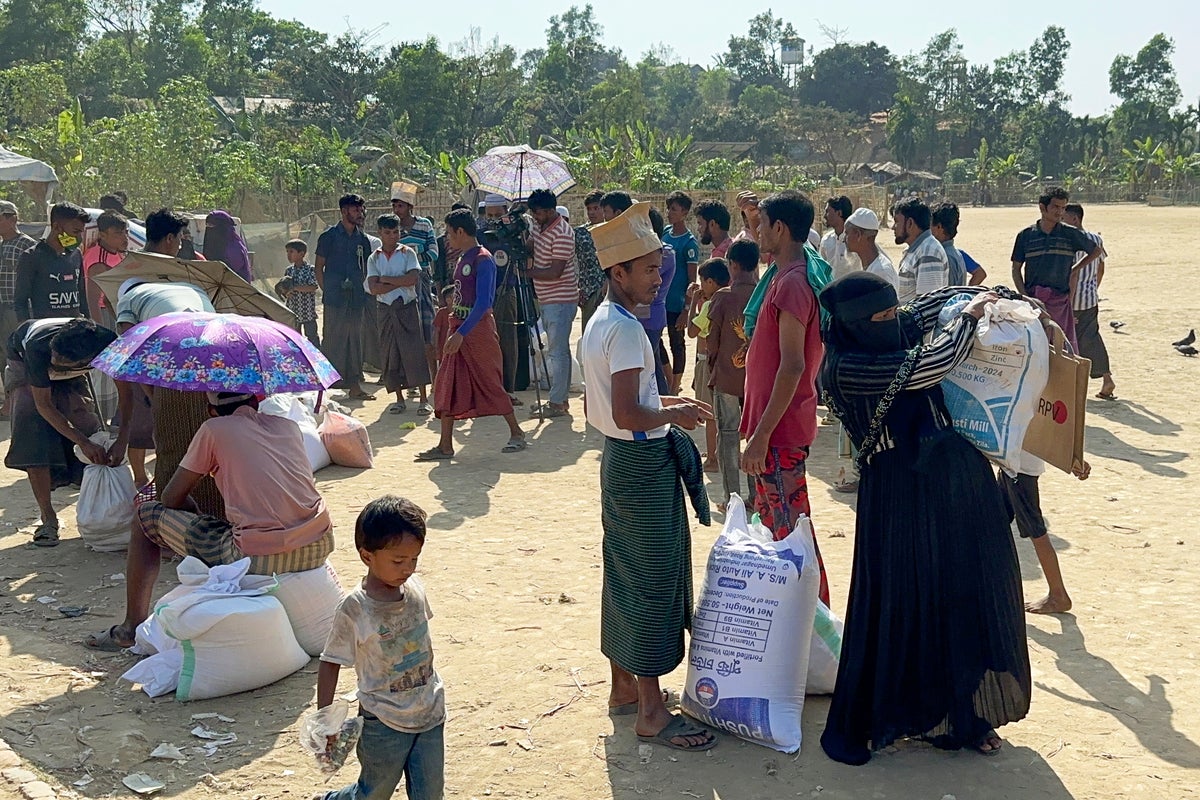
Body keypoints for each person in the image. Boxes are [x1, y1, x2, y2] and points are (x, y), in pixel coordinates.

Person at [817, 273, 1031, 765]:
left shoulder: (890, 325)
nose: (894, 322)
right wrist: (970, 320)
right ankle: (908, 710)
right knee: (906, 596)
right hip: (897, 494)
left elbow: (929, 305)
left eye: (893, 313)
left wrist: (985, 295)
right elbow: (927, 365)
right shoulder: (844, 366)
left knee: (965, 591)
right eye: (882, 318)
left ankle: (966, 714)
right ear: (854, 324)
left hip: (955, 485)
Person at [579, 201, 716, 753]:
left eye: (661, 268)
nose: (661, 279)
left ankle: (624, 690)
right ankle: (653, 711)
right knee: (653, 581)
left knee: (625, 573)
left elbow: (627, 403)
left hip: (620, 458)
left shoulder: (602, 321)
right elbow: (633, 413)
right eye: (651, 270)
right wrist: (673, 414)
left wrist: (667, 401)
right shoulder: (630, 332)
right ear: (619, 273)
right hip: (640, 464)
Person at [86, 390, 335, 651]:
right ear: (255, 401)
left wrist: (194, 514)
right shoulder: (288, 426)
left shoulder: (214, 429)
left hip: (259, 556)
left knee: (143, 517)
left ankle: (130, 629)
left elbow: (171, 497)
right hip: (320, 542)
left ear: (211, 410)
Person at [316, 496, 445, 800]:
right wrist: (326, 718)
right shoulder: (355, 608)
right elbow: (330, 661)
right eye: (398, 561)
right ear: (367, 556)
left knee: (430, 793)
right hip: (383, 721)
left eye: (414, 559)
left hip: (430, 711)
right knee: (374, 793)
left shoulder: (415, 590)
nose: (408, 568)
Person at [738, 191, 830, 605]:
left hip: (779, 434)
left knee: (794, 540)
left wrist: (760, 437)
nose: (756, 232)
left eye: (761, 224)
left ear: (780, 228)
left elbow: (792, 366)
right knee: (775, 537)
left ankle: (816, 626)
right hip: (772, 432)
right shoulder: (783, 275)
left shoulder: (792, 282)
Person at [115, 209, 223, 513]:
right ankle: (215, 514)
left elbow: (129, 347)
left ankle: (175, 521)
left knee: (173, 446)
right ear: (170, 238)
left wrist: (152, 394)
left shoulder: (132, 293)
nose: (179, 245)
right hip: (211, 368)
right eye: (179, 239)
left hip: (171, 367)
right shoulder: (193, 286)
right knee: (209, 447)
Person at [416, 210, 525, 461]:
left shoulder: (483, 259)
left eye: (449, 232)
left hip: (477, 330)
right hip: (460, 327)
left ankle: (517, 433)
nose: (447, 238)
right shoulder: (465, 257)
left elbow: (484, 302)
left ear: (460, 232)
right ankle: (445, 445)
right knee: (449, 382)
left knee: (490, 381)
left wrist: (462, 333)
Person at [4, 318, 117, 546]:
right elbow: (43, 405)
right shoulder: (39, 348)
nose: (54, 361)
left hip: (72, 374)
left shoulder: (110, 345)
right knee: (33, 436)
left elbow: (126, 395)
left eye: (61, 360)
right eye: (54, 355)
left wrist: (121, 439)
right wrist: (83, 443)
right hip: (25, 366)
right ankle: (48, 518)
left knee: (86, 423)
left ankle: (102, 516)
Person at [112, 277, 216, 491]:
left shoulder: (127, 300)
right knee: (206, 430)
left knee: (171, 435)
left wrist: (153, 396)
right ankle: (210, 492)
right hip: (211, 352)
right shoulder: (192, 286)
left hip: (173, 350)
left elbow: (133, 353)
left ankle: (172, 499)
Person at [1010, 187, 1104, 351]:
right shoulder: (1025, 236)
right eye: (1055, 207)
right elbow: (1016, 268)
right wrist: (1025, 297)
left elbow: (1096, 251)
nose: (1059, 212)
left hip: (1060, 301)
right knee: (1034, 349)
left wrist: (1075, 269)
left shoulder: (1070, 234)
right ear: (1042, 207)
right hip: (1033, 303)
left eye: (1063, 208)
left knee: (1061, 350)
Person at [998, 449, 1090, 615]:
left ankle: (1058, 594)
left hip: (1020, 470)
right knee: (996, 521)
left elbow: (1048, 431)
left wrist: (1072, 458)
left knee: (1037, 533)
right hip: (1011, 466)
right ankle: (992, 587)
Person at [706, 240, 758, 510]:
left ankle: (732, 497)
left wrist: (712, 366)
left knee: (727, 436)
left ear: (733, 265)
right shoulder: (764, 294)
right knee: (754, 435)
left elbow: (711, 340)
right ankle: (755, 495)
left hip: (726, 376)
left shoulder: (723, 297)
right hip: (756, 381)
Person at [367, 214, 432, 415]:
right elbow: (373, 288)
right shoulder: (374, 257)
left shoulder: (407, 253)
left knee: (414, 351)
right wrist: (397, 281)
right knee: (390, 352)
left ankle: (423, 399)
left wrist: (385, 279)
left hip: (406, 307)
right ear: (380, 233)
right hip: (385, 310)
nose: (392, 236)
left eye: (395, 232)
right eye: (388, 233)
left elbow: (412, 279)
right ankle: (399, 398)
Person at [316, 194, 375, 401]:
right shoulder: (329, 237)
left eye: (361, 210)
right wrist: (329, 291)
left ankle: (355, 386)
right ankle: (327, 387)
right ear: (344, 212)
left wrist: (359, 286)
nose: (360, 213)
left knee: (355, 342)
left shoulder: (363, 239)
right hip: (334, 299)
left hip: (356, 299)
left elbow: (367, 268)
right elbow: (318, 268)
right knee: (333, 340)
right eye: (355, 210)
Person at [526, 189, 577, 419]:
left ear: (549, 210)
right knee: (558, 351)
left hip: (560, 299)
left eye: (537, 213)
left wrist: (527, 272)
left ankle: (557, 402)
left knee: (557, 352)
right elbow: (532, 247)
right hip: (547, 298)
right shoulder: (539, 227)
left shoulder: (563, 233)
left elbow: (556, 271)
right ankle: (559, 399)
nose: (535, 217)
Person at [1063, 203, 1116, 399]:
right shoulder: (1096, 239)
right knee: (1092, 337)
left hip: (1073, 300)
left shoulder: (1070, 241)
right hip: (1090, 299)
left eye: (1064, 217)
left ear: (1074, 219)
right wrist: (1094, 288)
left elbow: (1072, 275)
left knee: (1070, 341)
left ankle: (1075, 384)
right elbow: (1101, 268)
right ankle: (1106, 378)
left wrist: (1068, 299)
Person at [391, 182, 440, 388]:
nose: (396, 210)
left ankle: (435, 379)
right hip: (400, 284)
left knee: (426, 330)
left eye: (400, 206)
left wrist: (412, 255)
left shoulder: (424, 225)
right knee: (406, 332)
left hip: (422, 281)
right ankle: (411, 380)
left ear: (410, 207)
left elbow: (434, 252)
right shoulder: (392, 228)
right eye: (394, 205)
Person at [14, 201, 88, 322]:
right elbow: (20, 302)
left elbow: (82, 295)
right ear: (56, 227)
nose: (79, 238)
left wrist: (89, 324)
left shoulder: (76, 254)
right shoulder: (32, 257)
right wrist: (27, 331)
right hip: (46, 331)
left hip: (74, 330)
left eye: (81, 232)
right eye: (75, 232)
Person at [686, 258, 725, 474]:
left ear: (710, 282)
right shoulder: (728, 299)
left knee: (709, 413)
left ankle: (712, 458)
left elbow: (692, 332)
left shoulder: (710, 304)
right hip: (723, 363)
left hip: (705, 361)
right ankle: (721, 452)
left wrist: (693, 302)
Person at [0, 201, 39, 415]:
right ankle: (9, 402)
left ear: (12, 218)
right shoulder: (1, 245)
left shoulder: (26, 245)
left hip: (18, 309)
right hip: (1, 307)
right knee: (4, 356)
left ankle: (26, 401)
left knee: (18, 354)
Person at [661, 191, 701, 394]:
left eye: (674, 209)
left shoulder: (689, 243)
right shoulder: (665, 233)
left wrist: (687, 309)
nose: (669, 212)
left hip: (677, 304)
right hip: (661, 301)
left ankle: (675, 386)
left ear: (685, 212)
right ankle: (668, 378)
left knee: (677, 343)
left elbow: (692, 281)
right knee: (656, 341)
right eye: (669, 208)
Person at [640, 207, 676, 396]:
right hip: (648, 317)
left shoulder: (664, 254)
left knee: (649, 367)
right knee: (652, 364)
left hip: (650, 317)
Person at [891, 196, 949, 304]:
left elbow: (928, 306)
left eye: (896, 222)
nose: (893, 227)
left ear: (910, 223)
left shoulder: (928, 252)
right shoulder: (917, 249)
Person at [83, 210, 128, 324]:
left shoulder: (117, 251)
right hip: (104, 312)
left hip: (117, 308)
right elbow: (93, 300)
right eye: (118, 233)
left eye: (125, 232)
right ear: (102, 235)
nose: (125, 237)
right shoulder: (98, 261)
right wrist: (99, 331)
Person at [842, 208, 898, 288]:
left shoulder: (881, 272)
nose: (844, 240)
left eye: (847, 233)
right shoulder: (870, 267)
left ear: (858, 235)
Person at [282, 239, 320, 347]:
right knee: (294, 338)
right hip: (292, 312)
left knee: (312, 337)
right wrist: (285, 293)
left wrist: (295, 288)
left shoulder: (310, 269)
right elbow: (284, 289)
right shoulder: (289, 270)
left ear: (301, 254)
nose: (288, 255)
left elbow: (312, 287)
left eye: (291, 252)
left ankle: (316, 358)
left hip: (307, 312)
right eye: (287, 252)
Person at [202, 210, 251, 282]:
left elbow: (233, 273)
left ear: (222, 227)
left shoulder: (234, 248)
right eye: (208, 226)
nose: (209, 230)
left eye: (212, 226)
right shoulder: (212, 245)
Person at [930, 202, 970, 286]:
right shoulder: (955, 253)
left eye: (929, 225)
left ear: (939, 227)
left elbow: (947, 294)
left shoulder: (946, 257)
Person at [820, 196, 855, 279]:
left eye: (827, 211)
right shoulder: (826, 240)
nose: (825, 216)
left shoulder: (855, 241)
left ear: (839, 213)